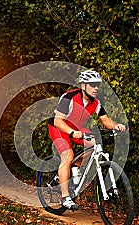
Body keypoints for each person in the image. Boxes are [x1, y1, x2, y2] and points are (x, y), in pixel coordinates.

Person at [48, 70, 126, 211]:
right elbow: (58, 121)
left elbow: (107, 122)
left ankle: (74, 168)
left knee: (93, 144)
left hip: (77, 129)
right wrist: (71, 132)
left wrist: (117, 126)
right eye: (92, 85)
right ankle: (65, 197)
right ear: (83, 85)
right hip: (59, 127)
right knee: (68, 156)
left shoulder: (96, 103)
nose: (96, 88)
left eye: (98, 85)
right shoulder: (69, 97)